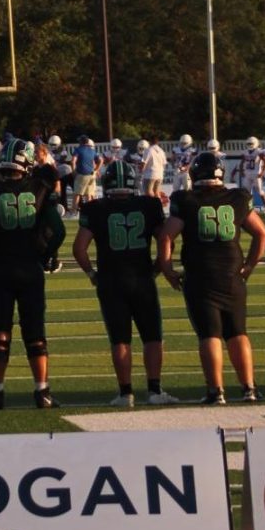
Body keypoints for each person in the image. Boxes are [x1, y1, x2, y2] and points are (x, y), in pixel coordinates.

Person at [158, 151, 265, 405]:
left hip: (201, 275)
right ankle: (249, 388)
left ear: (195, 174)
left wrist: (167, 269)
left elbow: (166, 237)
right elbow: (262, 233)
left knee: (209, 335)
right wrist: (250, 264)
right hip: (232, 274)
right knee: (238, 333)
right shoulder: (237, 197)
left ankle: (216, 391)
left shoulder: (185, 199)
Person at [0, 137, 66, 409]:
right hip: (30, 268)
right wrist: (46, 255)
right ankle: (42, 392)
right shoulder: (39, 186)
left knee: (0, 333)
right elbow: (59, 231)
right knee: (34, 331)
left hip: (0, 268)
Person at [72, 159, 176, 407]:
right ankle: (154, 390)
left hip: (110, 281)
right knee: (152, 336)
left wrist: (91, 274)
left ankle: (125, 393)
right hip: (142, 279)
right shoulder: (149, 205)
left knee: (120, 339)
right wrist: (156, 270)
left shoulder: (94, 208)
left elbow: (79, 249)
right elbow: (165, 241)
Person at [233, 137, 265, 211]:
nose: (250, 145)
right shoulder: (245, 152)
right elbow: (242, 162)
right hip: (247, 173)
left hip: (256, 174)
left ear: (256, 143)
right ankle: (248, 208)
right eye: (249, 143)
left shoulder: (259, 151)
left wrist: (263, 172)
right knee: (246, 192)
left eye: (251, 143)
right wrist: (242, 171)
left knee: (260, 191)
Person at [71, 136, 101, 213]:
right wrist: (96, 170)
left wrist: (74, 171)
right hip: (91, 175)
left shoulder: (78, 150)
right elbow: (100, 160)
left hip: (82, 174)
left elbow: (73, 161)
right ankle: (90, 211)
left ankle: (74, 212)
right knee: (89, 194)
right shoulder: (92, 151)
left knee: (77, 194)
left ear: (81, 142)